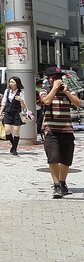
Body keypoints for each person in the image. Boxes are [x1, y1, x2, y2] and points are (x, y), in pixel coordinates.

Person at [40, 66, 82, 198]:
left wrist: (67, 92)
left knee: (66, 160)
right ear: (49, 79)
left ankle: (63, 183)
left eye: (59, 78)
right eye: (54, 78)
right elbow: (46, 101)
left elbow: (78, 103)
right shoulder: (44, 91)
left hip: (67, 130)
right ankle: (56, 185)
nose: (58, 80)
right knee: (53, 158)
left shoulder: (68, 90)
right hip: (51, 130)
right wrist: (54, 88)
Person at [0, 76, 28, 155]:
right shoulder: (7, 91)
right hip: (8, 112)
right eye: (10, 82)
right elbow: (3, 103)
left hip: (17, 113)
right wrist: (0, 112)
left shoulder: (21, 92)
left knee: (16, 131)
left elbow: (24, 106)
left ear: (17, 83)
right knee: (7, 130)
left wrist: (21, 100)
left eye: (13, 82)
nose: (11, 84)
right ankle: (13, 145)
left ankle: (14, 149)